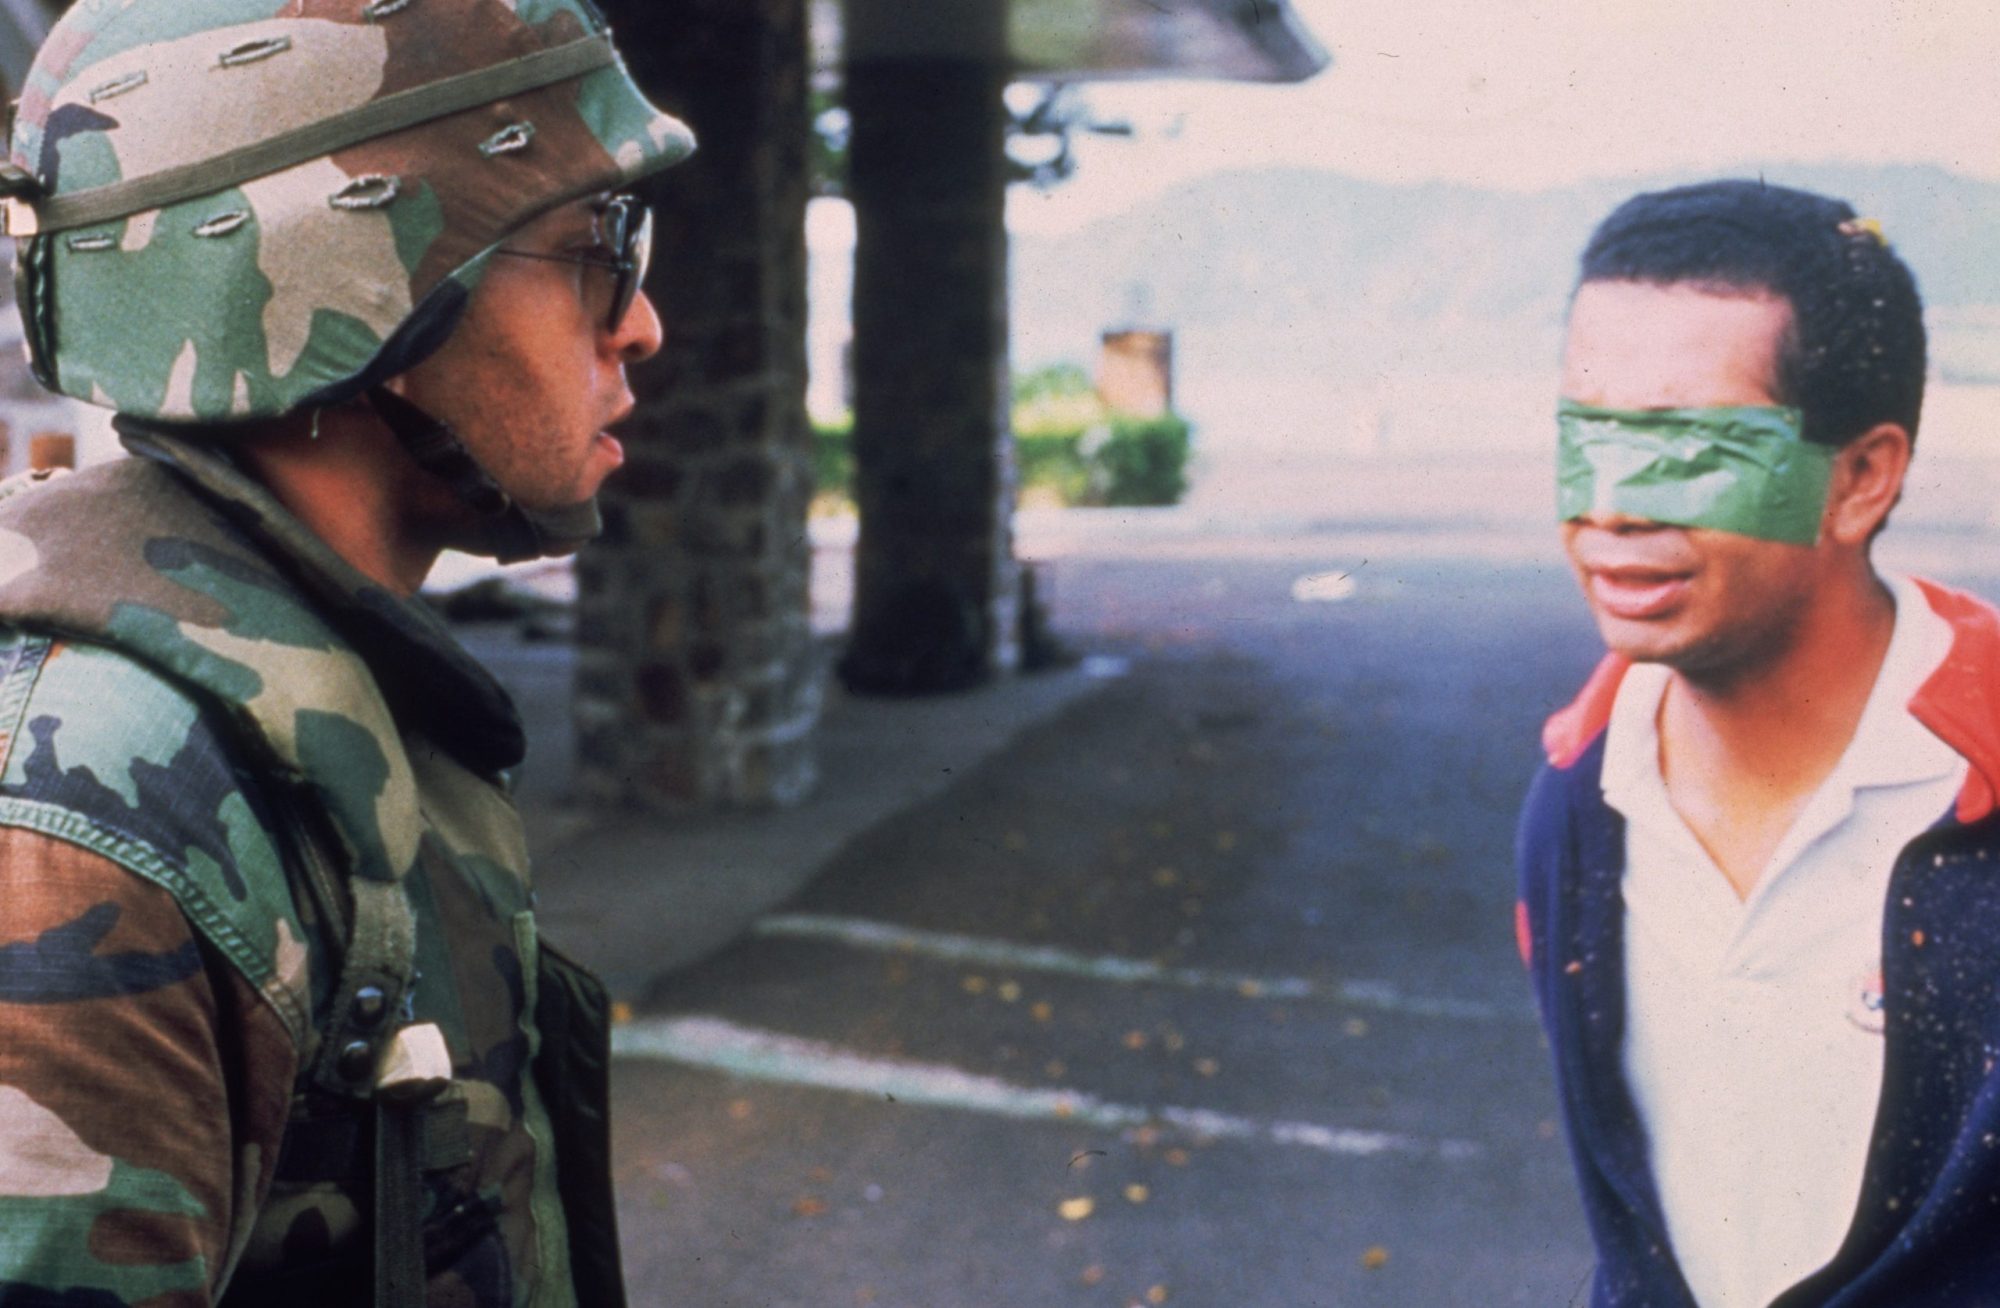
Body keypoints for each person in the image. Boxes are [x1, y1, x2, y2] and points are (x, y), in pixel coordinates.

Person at [0, 1, 693, 1304]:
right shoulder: (88, 813)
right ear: (351, 284)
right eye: (596, 247)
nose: (640, 323)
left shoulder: (308, 680)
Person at [1517, 178, 2000, 1307]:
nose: (1611, 508)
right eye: (1589, 436)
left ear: (1860, 478)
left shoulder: (1978, 786)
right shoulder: (1577, 801)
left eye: (1688, 447)